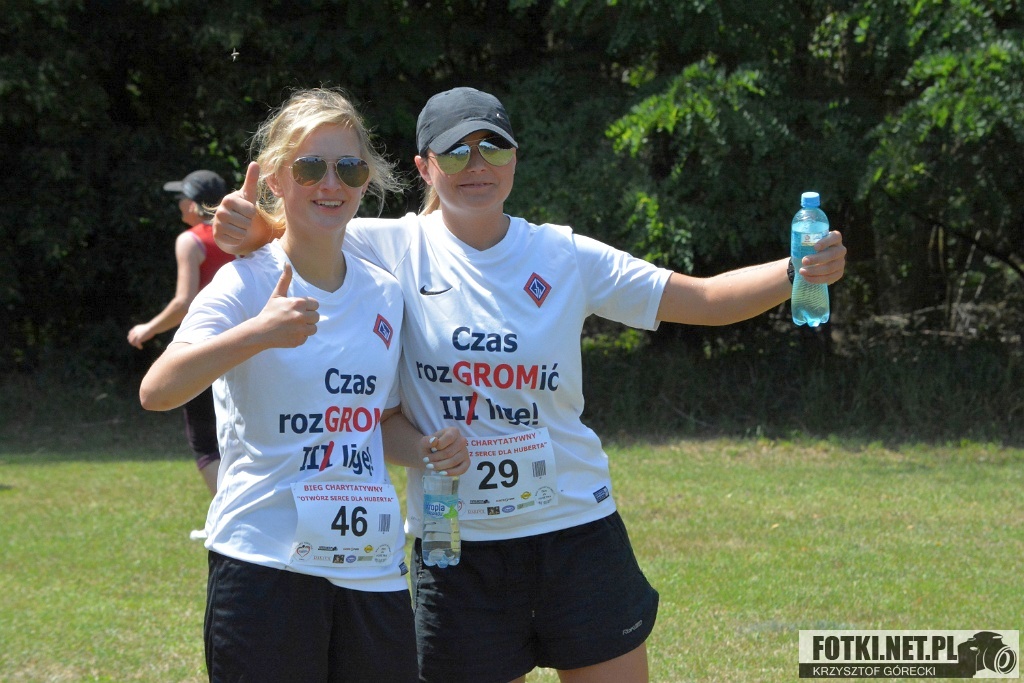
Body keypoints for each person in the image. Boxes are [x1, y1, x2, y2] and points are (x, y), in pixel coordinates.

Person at [213, 86, 848, 683]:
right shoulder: (390, 246)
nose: (476, 165)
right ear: (425, 167)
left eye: (492, 147)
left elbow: (703, 299)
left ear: (515, 158)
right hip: (456, 545)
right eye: (455, 152)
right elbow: (308, 227)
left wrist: (798, 269)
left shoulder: (563, 254)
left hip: (576, 529)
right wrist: (256, 228)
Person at [139, 88, 467, 682]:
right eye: (311, 167)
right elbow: (157, 390)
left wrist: (426, 448)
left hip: (370, 567)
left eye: (350, 168)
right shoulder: (244, 283)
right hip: (265, 564)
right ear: (276, 179)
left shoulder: (383, 292)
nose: (331, 184)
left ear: (366, 180)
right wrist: (256, 334)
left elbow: (375, 422)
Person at [129, 169, 231, 498]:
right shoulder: (249, 237)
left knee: (206, 442)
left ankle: (227, 514)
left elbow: (183, 303)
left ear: (194, 204)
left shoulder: (191, 241)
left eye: (182, 198)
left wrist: (148, 328)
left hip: (205, 349)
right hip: (251, 345)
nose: (179, 204)